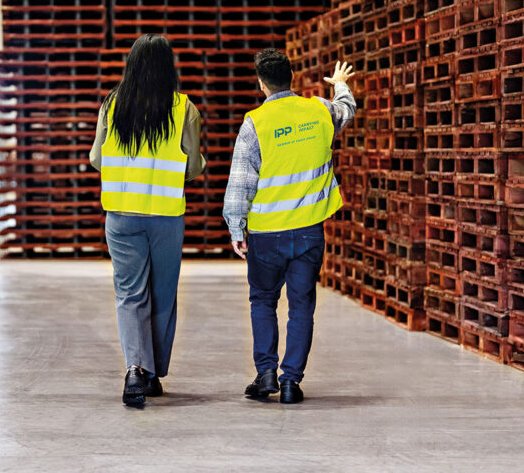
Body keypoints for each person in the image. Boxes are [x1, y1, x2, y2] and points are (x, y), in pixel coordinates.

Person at [223, 48, 357, 404]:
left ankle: (265, 372)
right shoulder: (319, 110)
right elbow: (347, 110)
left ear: (261, 82)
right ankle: (290, 383)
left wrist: (237, 229)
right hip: (309, 233)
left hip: (266, 235)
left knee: (263, 301)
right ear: (291, 78)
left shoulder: (256, 122)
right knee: (301, 306)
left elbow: (240, 182)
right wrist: (341, 85)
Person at [89, 33, 206, 408]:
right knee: (163, 294)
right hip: (166, 216)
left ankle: (135, 369)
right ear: (167, 66)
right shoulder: (183, 108)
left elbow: (96, 159)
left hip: (121, 215)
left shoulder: (112, 104)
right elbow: (191, 166)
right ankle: (152, 373)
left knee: (129, 294)